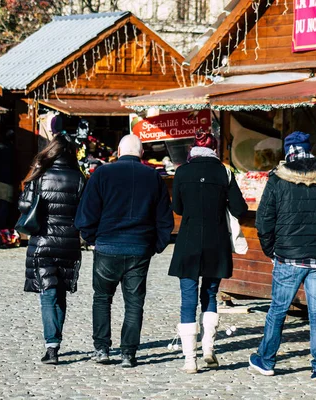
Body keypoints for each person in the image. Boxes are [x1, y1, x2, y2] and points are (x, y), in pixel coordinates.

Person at [249, 131, 316, 381]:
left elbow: (263, 221)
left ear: (288, 151)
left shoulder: (278, 178)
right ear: (309, 149)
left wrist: (270, 249)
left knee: (278, 310)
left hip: (288, 256)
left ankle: (266, 359)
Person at [74, 134, 173, 368]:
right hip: (139, 247)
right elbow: (165, 219)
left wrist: (92, 240)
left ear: (118, 151)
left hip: (107, 245)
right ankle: (128, 353)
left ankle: (102, 349)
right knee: (134, 303)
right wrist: (155, 246)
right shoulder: (153, 177)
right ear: (142, 154)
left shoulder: (102, 174)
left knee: (101, 299)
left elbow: (85, 214)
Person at [168, 130, 248, 373]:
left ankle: (189, 359)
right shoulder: (224, 171)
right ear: (215, 148)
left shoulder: (182, 171)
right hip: (216, 240)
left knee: (188, 297)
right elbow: (239, 208)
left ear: (194, 147)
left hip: (189, 240)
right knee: (211, 293)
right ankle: (209, 348)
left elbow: (178, 208)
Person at [18, 133, 86, 365]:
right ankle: (55, 342)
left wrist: (34, 172)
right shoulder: (79, 178)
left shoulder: (40, 176)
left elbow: (23, 205)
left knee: (48, 295)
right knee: (61, 293)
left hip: (43, 243)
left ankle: (52, 347)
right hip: (68, 243)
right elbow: (84, 212)